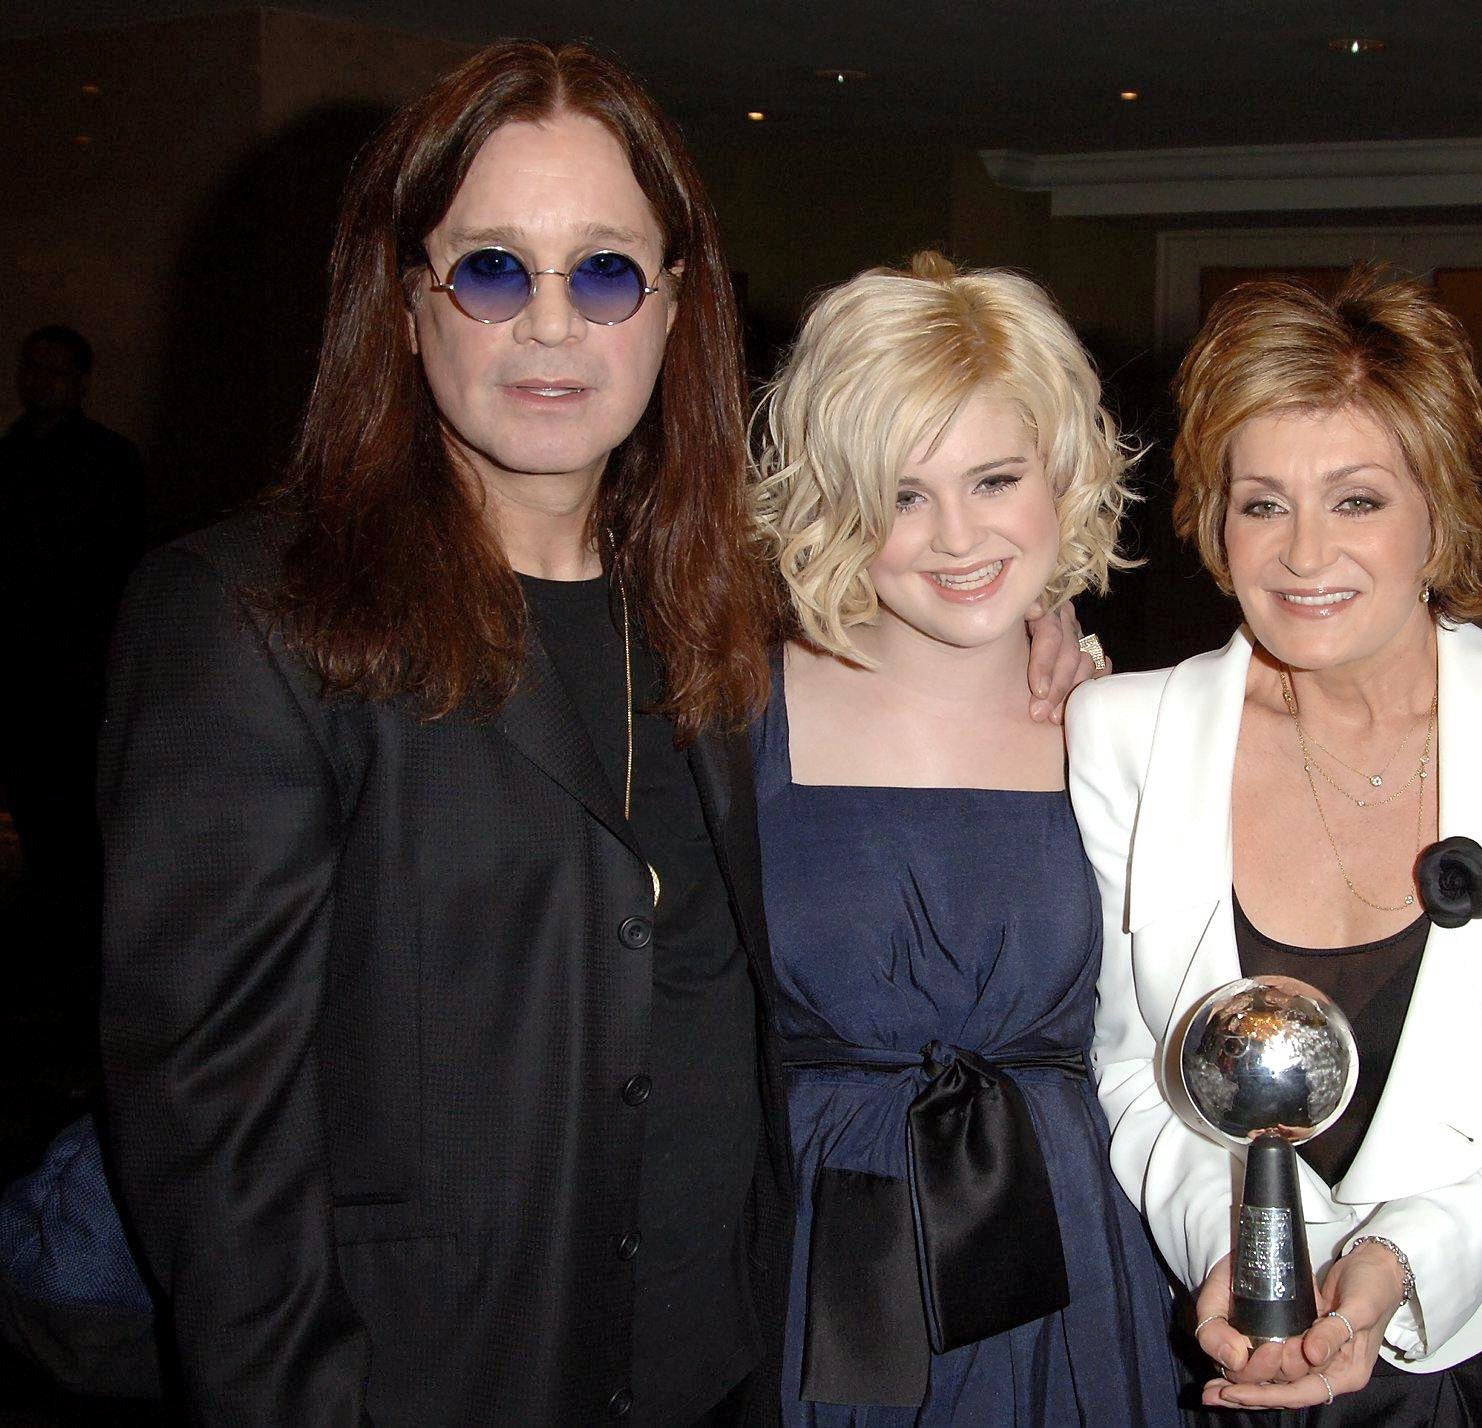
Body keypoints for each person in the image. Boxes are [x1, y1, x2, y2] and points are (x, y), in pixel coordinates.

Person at [99, 43, 1098, 1425]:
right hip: (428, 1382)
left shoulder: (716, 618)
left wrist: (1037, 637)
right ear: (404, 302)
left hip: (733, 1363)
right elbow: (210, 1140)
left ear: (673, 307)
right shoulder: (248, 619)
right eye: (495, 269)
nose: (552, 325)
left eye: (606, 273)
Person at [1066, 270, 1482, 1424]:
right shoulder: (1124, 731)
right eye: (1262, 502)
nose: (1301, 554)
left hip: (1466, 1356)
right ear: (1213, 519)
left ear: (1441, 509)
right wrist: (1228, 1252)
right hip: (1226, 1354)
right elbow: (1130, 1065)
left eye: (1358, 500)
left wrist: (1399, 1264)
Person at [749, 252, 1183, 1425]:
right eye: (901, 492)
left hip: (1074, 1260)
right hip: (811, 1259)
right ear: (836, 499)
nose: (956, 537)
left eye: (995, 478)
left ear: (1064, 475)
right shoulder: (728, 720)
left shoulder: (1130, 728)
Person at [0, 325, 144, 1032]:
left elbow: (122, 571)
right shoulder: (8, 461)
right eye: (32, 369)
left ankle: (77, 988)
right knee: (36, 826)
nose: (40, 382)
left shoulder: (107, 465)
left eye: (55, 372)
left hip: (80, 680)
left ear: (81, 381)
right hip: (22, 677)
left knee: (80, 837)